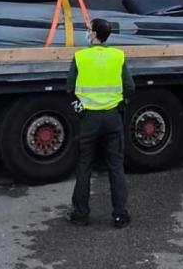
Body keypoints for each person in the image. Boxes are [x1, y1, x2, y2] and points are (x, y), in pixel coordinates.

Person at [66, 17, 135, 228]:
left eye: (89, 29)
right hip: (112, 117)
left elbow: (70, 89)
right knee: (115, 166)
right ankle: (120, 215)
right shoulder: (118, 56)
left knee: (85, 166)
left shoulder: (80, 57)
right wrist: (120, 105)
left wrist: (80, 112)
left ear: (94, 34)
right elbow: (129, 87)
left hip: (89, 119)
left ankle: (80, 215)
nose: (87, 32)